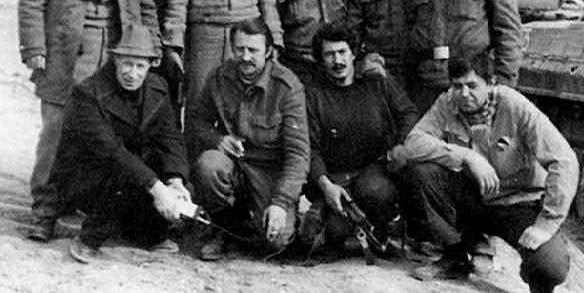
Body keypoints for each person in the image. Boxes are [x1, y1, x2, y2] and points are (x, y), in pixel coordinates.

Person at [18, 0, 161, 242]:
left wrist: (151, 46)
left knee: (109, 131)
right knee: (57, 129)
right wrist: (35, 48)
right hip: (67, 46)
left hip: (118, 45)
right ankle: (46, 210)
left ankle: (101, 211)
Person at [387, 54, 578, 292]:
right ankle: (456, 255)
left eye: (472, 85)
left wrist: (546, 224)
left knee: (550, 265)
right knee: (422, 172)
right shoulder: (447, 103)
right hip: (474, 199)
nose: (464, 94)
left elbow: (564, 160)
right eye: (457, 86)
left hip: (517, 204)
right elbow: (414, 143)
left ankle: (537, 284)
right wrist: (467, 156)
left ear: (491, 82)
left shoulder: (514, 105)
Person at [53, 24, 191, 263]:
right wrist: (158, 189)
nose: (132, 73)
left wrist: (175, 181)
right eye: (127, 63)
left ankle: (148, 234)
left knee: (174, 183)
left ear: (151, 65)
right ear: (115, 60)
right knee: (129, 176)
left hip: (131, 173)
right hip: (87, 176)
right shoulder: (89, 93)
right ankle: (89, 239)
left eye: (140, 66)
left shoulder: (157, 88)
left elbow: (170, 138)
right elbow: (111, 151)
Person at [185, 18, 309, 260]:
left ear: (268, 51)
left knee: (277, 242)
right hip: (233, 165)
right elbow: (196, 120)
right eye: (240, 49)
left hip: (268, 170)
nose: (245, 57)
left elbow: (299, 154)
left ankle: (257, 220)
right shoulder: (220, 77)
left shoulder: (287, 87)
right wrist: (218, 140)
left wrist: (281, 202)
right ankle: (223, 228)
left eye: (253, 50)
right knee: (209, 166)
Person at [302, 23, 418, 253]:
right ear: (321, 59)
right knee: (333, 234)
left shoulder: (376, 80)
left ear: (353, 53)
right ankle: (334, 215)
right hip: (335, 175)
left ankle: (384, 229)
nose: (337, 61)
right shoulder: (313, 94)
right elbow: (309, 147)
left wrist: (399, 145)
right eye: (329, 54)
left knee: (376, 192)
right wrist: (326, 185)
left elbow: (408, 113)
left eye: (342, 52)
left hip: (375, 170)